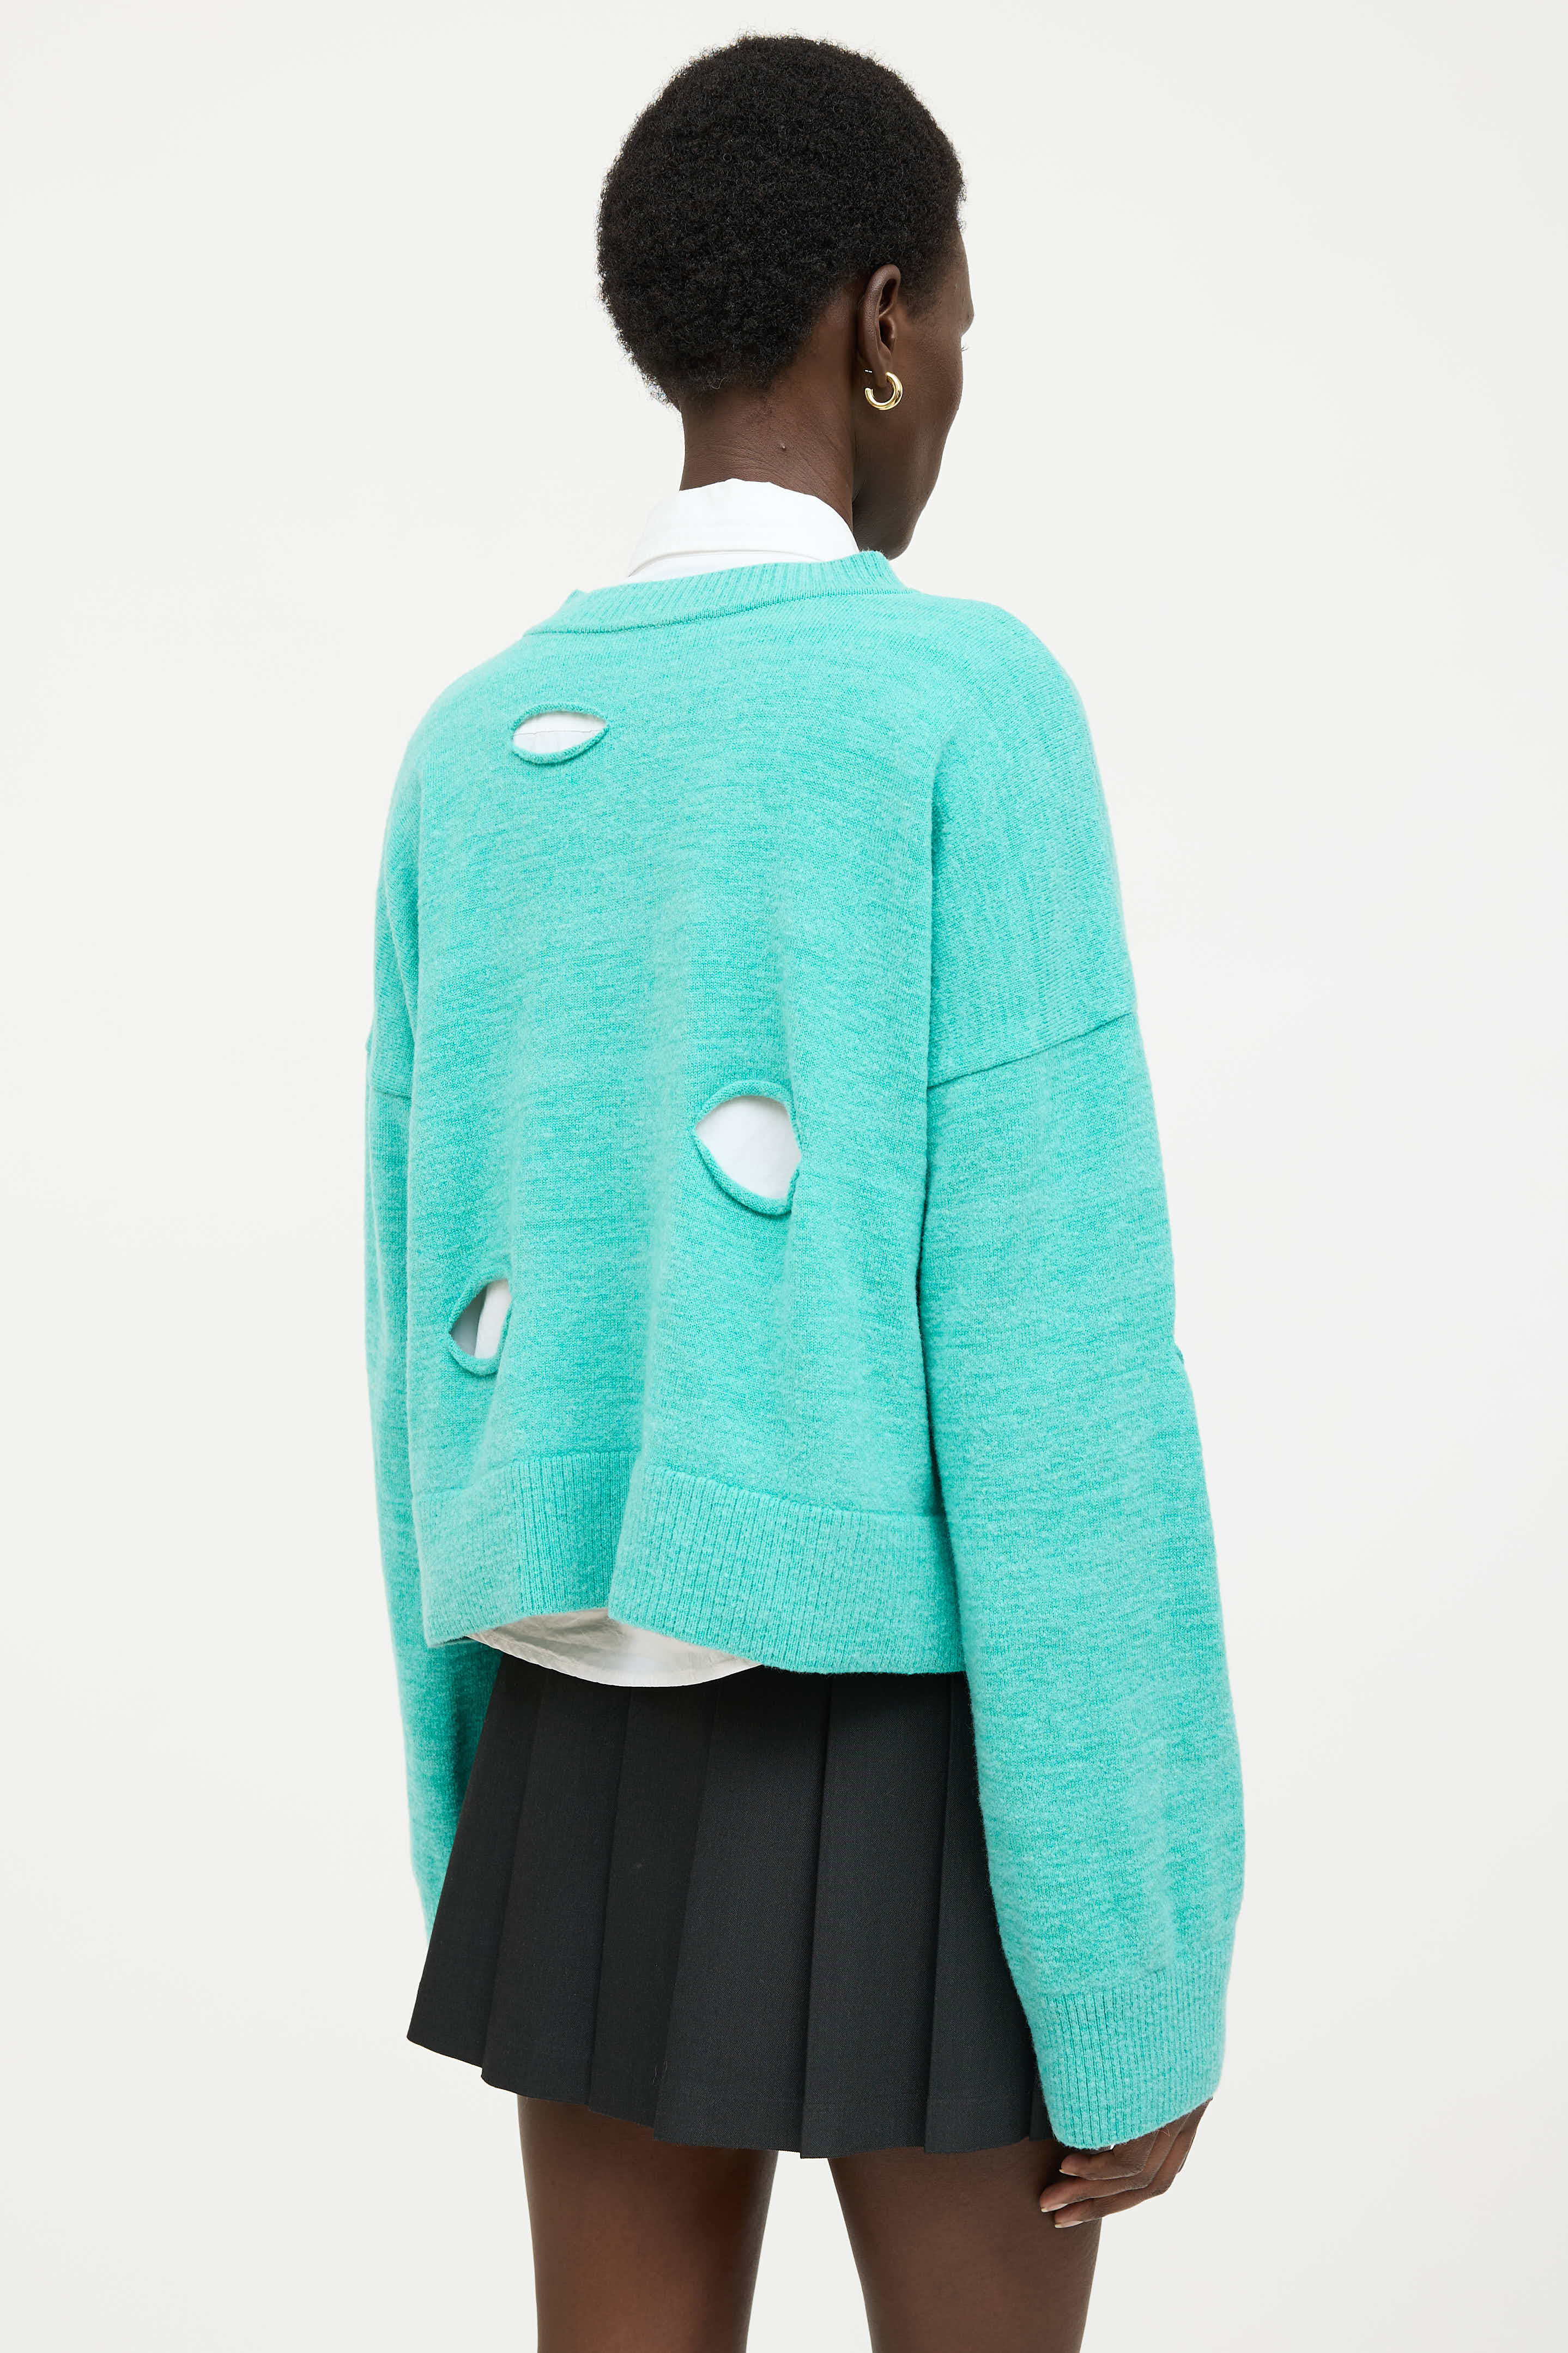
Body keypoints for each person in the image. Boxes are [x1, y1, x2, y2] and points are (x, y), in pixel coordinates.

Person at [364, 33, 1244, 2353]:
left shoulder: (468, 754)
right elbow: (1064, 1374)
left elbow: (414, 1352)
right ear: (880, 319)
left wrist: (469, 1829)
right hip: (919, 1740)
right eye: (956, 319)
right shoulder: (958, 706)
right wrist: (1139, 1968)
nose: (956, 378)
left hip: (569, 1727)